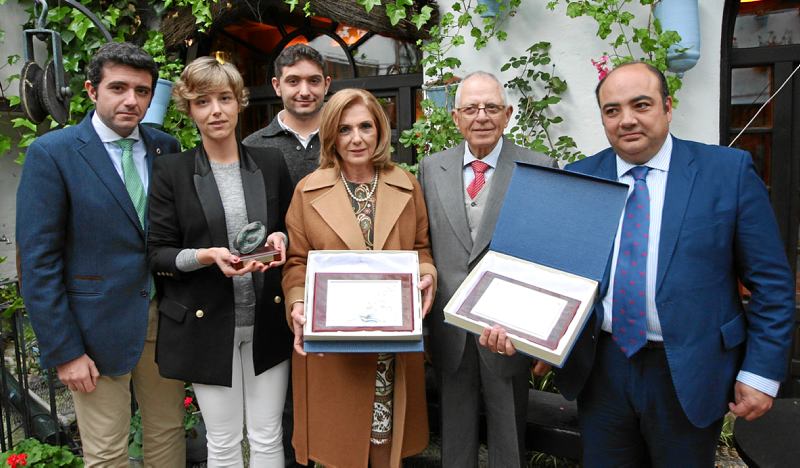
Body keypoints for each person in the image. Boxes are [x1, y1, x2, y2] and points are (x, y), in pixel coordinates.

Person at [548, 61, 794, 466]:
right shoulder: (581, 177)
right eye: (612, 110)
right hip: (603, 370)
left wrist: (760, 373)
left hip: (691, 369)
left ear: (667, 106)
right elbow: (558, 274)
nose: (627, 119)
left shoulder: (726, 172)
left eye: (641, 104)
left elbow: (772, 283)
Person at [16, 42, 185, 467]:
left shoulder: (166, 148)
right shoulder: (53, 153)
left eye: (142, 91)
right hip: (94, 331)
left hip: (163, 319)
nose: (131, 100)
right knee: (107, 450)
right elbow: (38, 263)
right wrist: (65, 351)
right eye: (118, 88)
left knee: (168, 433)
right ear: (92, 90)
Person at [147, 56, 294, 467]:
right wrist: (207, 256)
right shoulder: (171, 171)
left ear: (239, 102)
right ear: (189, 109)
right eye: (203, 101)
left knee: (268, 436)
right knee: (224, 441)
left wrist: (281, 238)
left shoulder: (269, 163)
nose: (216, 111)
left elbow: (289, 227)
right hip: (206, 322)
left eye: (225, 98)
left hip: (266, 318)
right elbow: (158, 253)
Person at [282, 88, 436, 468]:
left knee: (386, 447)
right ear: (331, 135)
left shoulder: (407, 185)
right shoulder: (307, 191)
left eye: (365, 126)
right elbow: (297, 262)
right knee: (341, 448)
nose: (356, 138)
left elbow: (421, 248)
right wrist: (298, 303)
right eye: (345, 129)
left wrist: (427, 274)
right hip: (335, 345)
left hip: (391, 346)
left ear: (380, 130)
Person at [418, 71, 557, 468]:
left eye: (491, 107)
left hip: (510, 331)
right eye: (471, 108)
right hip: (449, 329)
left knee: (509, 439)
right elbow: (424, 243)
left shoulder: (538, 166)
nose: (481, 116)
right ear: (456, 117)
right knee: (454, 441)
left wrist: (544, 336)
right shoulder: (431, 168)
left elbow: (549, 255)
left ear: (508, 114)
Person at [243, 44, 331, 185]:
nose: (304, 92)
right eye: (293, 81)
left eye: (314, 81)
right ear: (277, 86)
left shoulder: (345, 138)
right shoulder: (251, 147)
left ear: (326, 85)